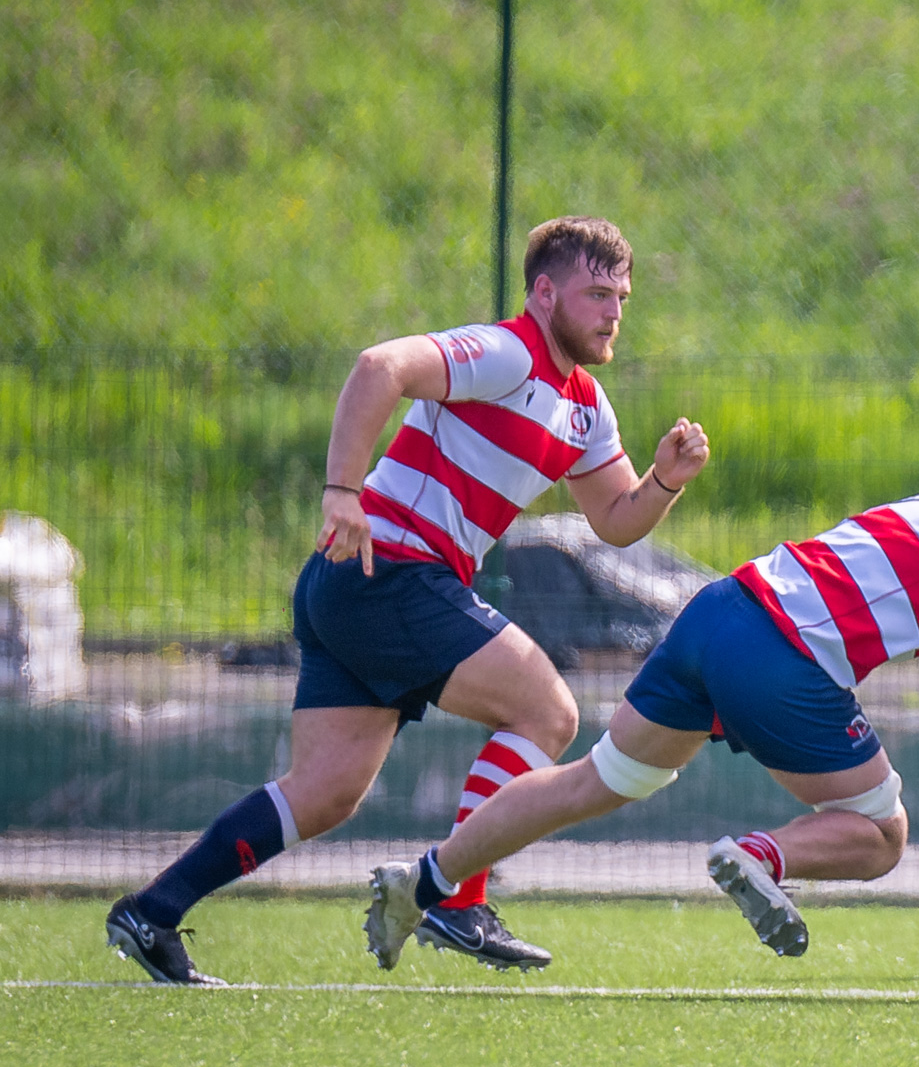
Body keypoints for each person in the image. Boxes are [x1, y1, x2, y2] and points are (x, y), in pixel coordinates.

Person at [105, 216, 710, 984]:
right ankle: (456, 896)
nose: (613, 311)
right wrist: (342, 491)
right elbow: (378, 366)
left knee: (324, 793)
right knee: (548, 711)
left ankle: (151, 911)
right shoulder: (506, 352)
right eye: (596, 293)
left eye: (620, 296)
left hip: (361, 586)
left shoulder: (586, 405)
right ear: (545, 291)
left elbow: (616, 521)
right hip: (386, 569)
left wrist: (664, 480)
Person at [361, 457, 919, 968]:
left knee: (600, 779)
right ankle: (759, 853)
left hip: (720, 611)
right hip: (784, 649)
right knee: (882, 831)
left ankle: (425, 881)